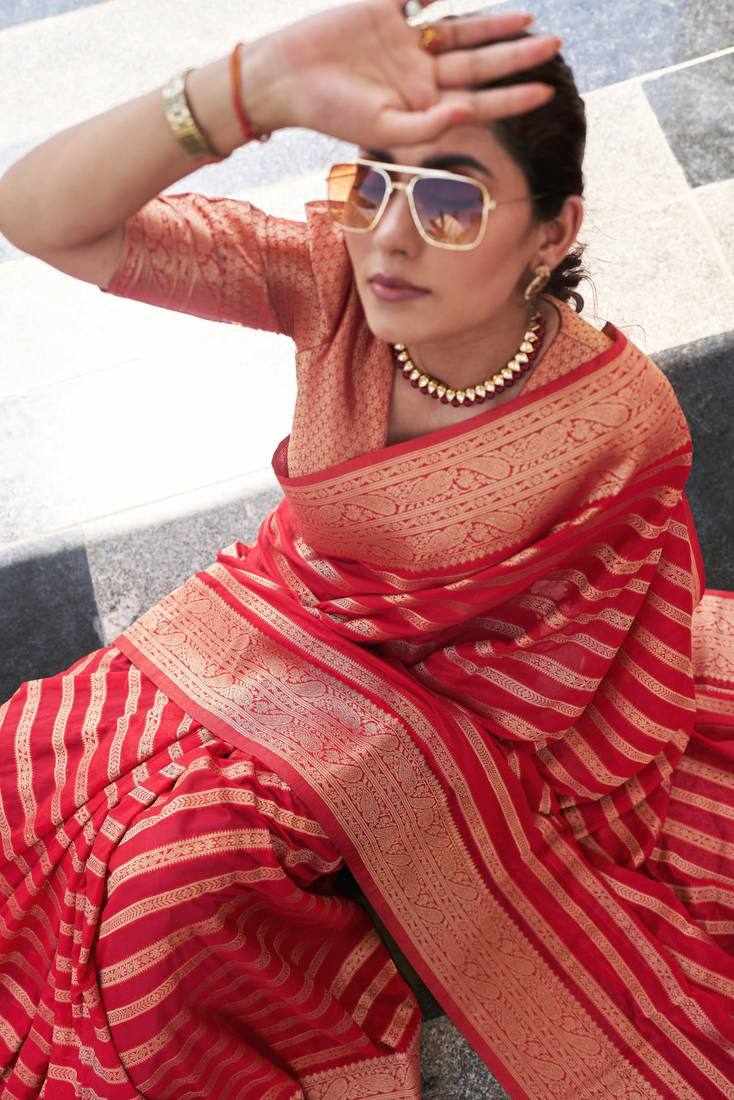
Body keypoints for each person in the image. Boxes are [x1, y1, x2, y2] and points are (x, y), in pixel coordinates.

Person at [1, 1, 733, 1096]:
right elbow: (39, 216)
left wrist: (365, 756)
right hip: (278, 626)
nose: (388, 238)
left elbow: (587, 687)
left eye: (449, 200)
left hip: (464, 730)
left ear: (552, 233)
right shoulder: (327, 285)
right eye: (369, 184)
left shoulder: (616, 421)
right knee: (27, 759)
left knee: (166, 880)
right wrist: (245, 86)